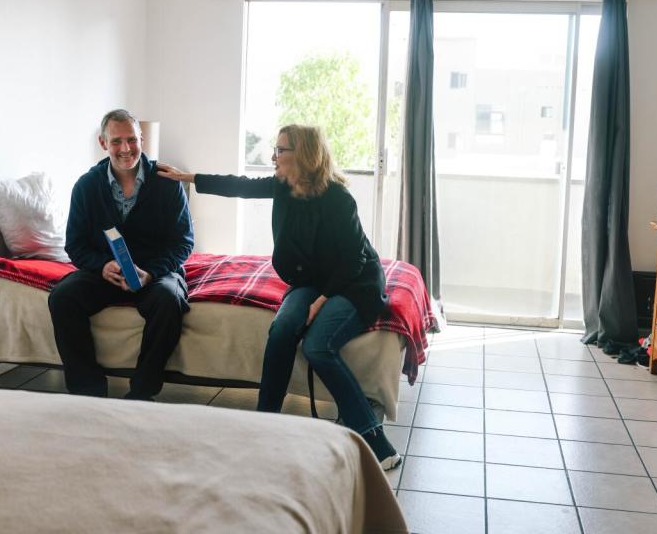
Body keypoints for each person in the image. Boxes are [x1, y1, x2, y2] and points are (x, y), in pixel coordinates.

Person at [157, 124, 401, 470]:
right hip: (310, 280)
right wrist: (188, 177)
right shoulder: (283, 186)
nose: (273, 156)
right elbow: (238, 185)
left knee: (318, 345)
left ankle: (374, 437)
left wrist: (322, 301)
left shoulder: (337, 197)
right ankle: (264, 423)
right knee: (282, 329)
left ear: (303, 154)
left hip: (353, 283)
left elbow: (354, 260)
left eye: (280, 150)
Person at [49, 109, 194, 400]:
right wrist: (102, 266)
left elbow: (184, 242)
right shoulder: (86, 186)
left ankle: (142, 392)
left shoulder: (167, 182)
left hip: (154, 274)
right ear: (103, 143)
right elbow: (74, 245)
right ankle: (87, 391)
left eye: (132, 140)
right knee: (62, 297)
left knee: (170, 300)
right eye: (116, 141)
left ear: (142, 139)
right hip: (106, 275)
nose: (125, 149)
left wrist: (151, 272)